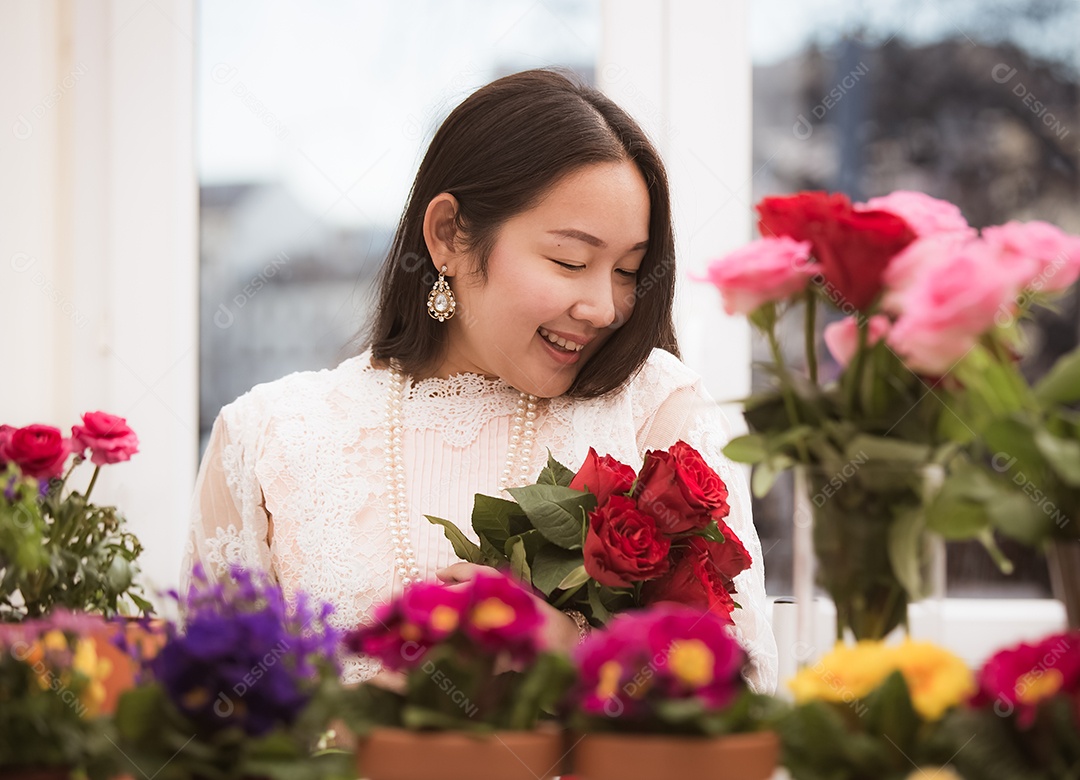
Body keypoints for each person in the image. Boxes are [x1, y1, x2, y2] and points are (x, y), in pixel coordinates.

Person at [183, 68, 778, 693]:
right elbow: (209, 717)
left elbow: (742, 700)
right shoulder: (267, 437)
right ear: (447, 236)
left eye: (628, 270)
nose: (604, 307)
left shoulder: (655, 408)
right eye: (570, 261)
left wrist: (574, 652)